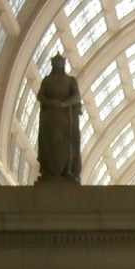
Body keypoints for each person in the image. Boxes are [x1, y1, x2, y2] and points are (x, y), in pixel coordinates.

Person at [36, 54, 82, 182]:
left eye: (59, 62)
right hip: (51, 118)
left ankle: (67, 170)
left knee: (67, 144)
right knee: (49, 143)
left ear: (63, 64)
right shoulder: (47, 81)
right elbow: (40, 96)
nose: (57, 65)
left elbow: (77, 96)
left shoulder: (70, 81)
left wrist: (64, 103)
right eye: (55, 63)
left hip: (66, 118)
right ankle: (50, 170)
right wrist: (51, 103)